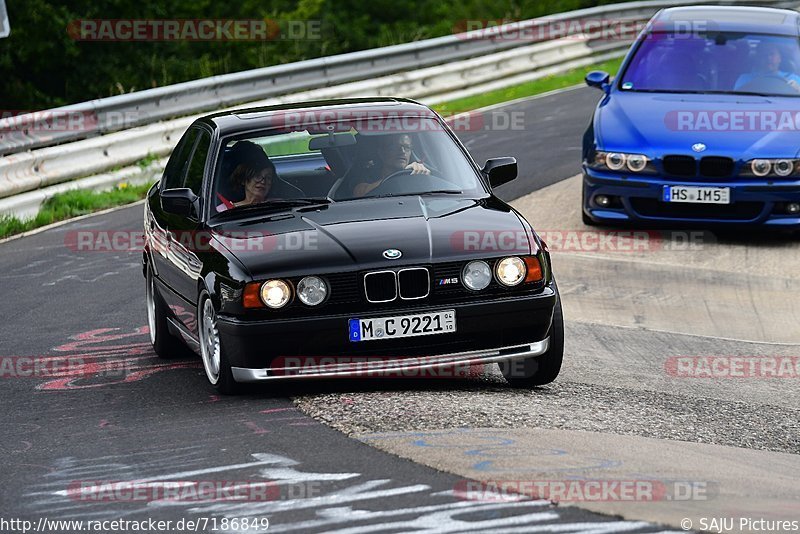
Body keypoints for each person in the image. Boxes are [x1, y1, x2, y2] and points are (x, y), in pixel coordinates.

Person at [352, 133, 430, 197]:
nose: (402, 151)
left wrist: (423, 174)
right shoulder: (369, 173)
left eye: (407, 147)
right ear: (381, 153)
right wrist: (397, 177)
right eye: (395, 147)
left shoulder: (416, 172)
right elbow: (359, 193)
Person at [216, 141, 276, 212]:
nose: (263, 181)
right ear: (243, 180)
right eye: (257, 176)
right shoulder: (222, 210)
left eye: (268, 177)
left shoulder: (278, 205)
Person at [734, 42, 800, 92]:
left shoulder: (794, 79)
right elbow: (736, 100)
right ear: (758, 59)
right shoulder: (745, 79)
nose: (768, 58)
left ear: (780, 58)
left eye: (772, 54)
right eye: (764, 54)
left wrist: (797, 90)